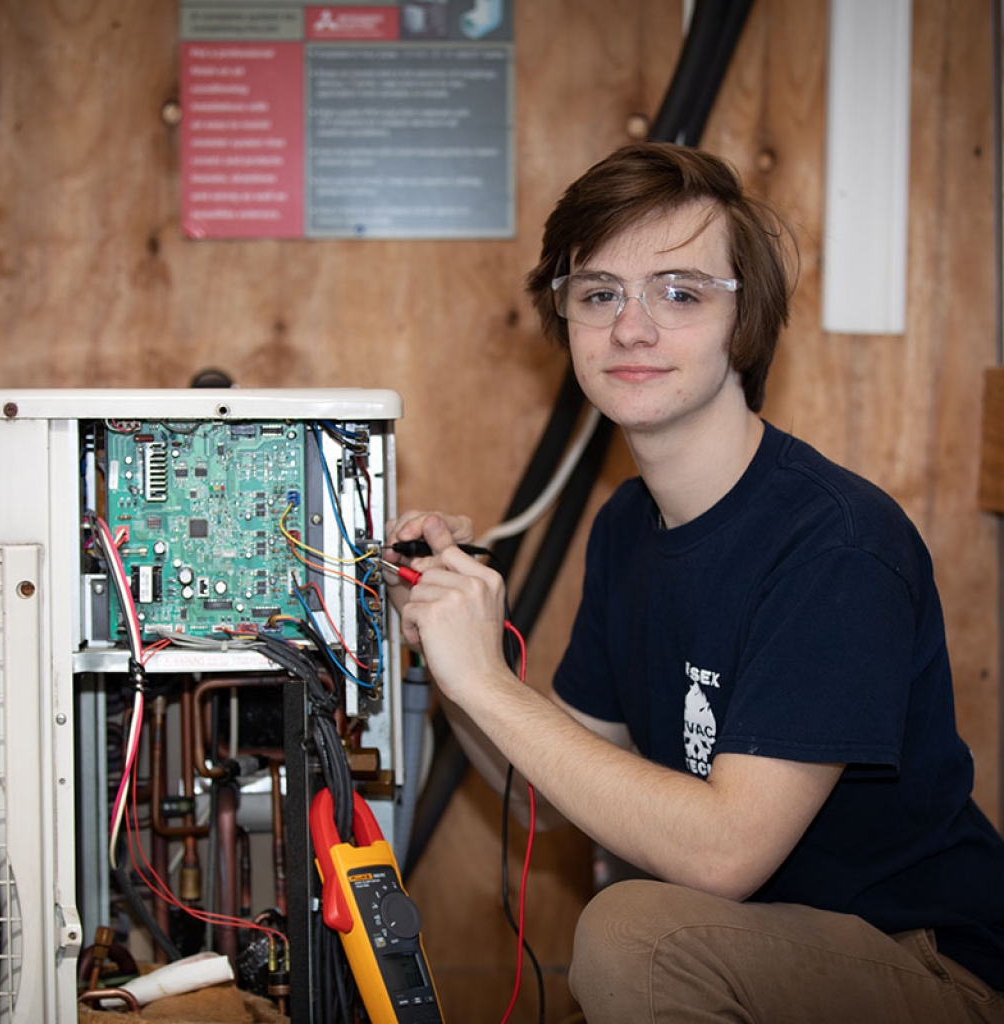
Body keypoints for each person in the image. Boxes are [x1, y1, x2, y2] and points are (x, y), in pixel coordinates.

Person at [383, 143, 1004, 1023]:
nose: (630, 328)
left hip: (936, 969)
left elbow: (724, 855)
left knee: (637, 936)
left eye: (679, 291)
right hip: (759, 952)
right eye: (598, 294)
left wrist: (491, 682)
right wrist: (452, 661)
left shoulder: (837, 544)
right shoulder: (626, 527)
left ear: (744, 323)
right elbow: (547, 804)